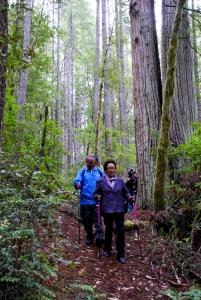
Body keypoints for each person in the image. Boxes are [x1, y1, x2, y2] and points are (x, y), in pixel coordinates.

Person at [94, 159, 134, 264]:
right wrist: (96, 197)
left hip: (120, 210)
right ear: (106, 169)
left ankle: (121, 253)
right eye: (109, 168)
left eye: (113, 168)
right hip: (107, 210)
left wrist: (130, 198)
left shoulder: (120, 181)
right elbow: (95, 193)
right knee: (109, 230)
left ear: (115, 169)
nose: (111, 170)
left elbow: (126, 193)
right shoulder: (100, 181)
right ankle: (107, 249)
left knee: (120, 232)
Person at [73, 155, 104, 246]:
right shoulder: (82, 171)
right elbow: (77, 179)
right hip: (85, 201)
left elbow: (104, 181)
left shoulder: (99, 172)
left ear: (95, 162)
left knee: (98, 220)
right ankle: (89, 236)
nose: (90, 164)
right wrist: (77, 183)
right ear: (86, 162)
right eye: (89, 163)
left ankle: (99, 238)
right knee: (86, 221)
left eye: (92, 162)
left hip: (96, 201)